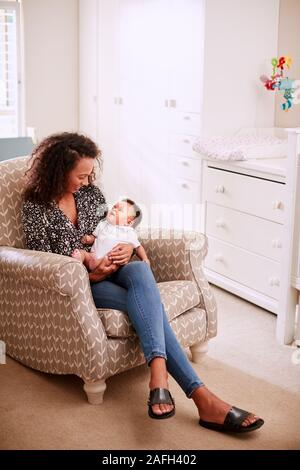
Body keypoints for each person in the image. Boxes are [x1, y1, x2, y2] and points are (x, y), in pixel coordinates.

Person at [21, 132, 264, 433]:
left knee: (139, 272)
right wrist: (92, 272)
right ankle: (202, 398)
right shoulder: (35, 208)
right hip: (79, 285)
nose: (86, 182)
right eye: (80, 176)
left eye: (89, 175)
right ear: (58, 171)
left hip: (115, 267)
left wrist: (124, 246)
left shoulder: (90, 194)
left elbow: (118, 222)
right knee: (152, 312)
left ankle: (159, 378)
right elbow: (43, 262)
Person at [71, 198, 150, 272]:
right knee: (83, 253)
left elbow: (138, 247)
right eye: (114, 207)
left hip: (108, 263)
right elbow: (95, 237)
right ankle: (78, 260)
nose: (115, 209)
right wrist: (89, 239)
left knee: (110, 260)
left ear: (128, 222)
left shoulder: (128, 232)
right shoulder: (103, 224)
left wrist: (145, 259)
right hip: (92, 257)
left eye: (120, 210)